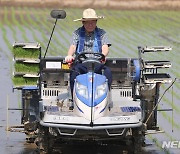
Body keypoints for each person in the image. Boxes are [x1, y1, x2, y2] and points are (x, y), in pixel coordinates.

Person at [65, 8, 112, 101]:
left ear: (96, 22)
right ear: (83, 23)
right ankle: (73, 98)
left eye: (93, 22)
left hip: (97, 63)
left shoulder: (102, 33)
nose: (90, 25)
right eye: (87, 22)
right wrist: (69, 55)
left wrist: (103, 55)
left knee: (108, 73)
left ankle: (106, 97)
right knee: (74, 74)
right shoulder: (77, 33)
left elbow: (105, 47)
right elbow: (73, 46)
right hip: (81, 64)